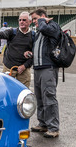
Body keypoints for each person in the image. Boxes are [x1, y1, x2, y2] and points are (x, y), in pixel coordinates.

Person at [26, 8, 61, 138]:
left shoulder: (51, 25)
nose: (34, 21)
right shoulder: (40, 31)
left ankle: (53, 127)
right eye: (33, 19)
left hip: (49, 68)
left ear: (43, 16)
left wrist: (42, 21)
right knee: (39, 97)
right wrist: (31, 54)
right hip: (39, 68)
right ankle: (43, 123)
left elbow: (48, 30)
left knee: (49, 97)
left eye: (35, 18)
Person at [0, 12, 34, 88]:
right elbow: (2, 34)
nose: (21, 22)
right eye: (20, 20)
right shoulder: (12, 32)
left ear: (30, 22)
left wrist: (24, 66)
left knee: (24, 91)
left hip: (24, 68)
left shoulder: (33, 35)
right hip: (9, 67)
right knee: (6, 89)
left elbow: (35, 54)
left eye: (24, 20)